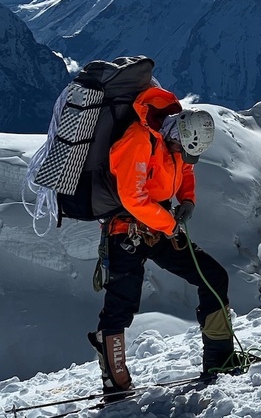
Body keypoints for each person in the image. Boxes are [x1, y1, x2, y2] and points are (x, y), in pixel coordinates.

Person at [87, 85, 234, 396]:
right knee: (120, 307)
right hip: (126, 231)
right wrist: (169, 224)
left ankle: (220, 359)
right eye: (181, 148)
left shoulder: (174, 140)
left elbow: (185, 170)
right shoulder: (137, 140)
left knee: (213, 277)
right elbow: (133, 197)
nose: (183, 155)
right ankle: (115, 382)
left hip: (158, 227)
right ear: (176, 133)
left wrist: (187, 199)